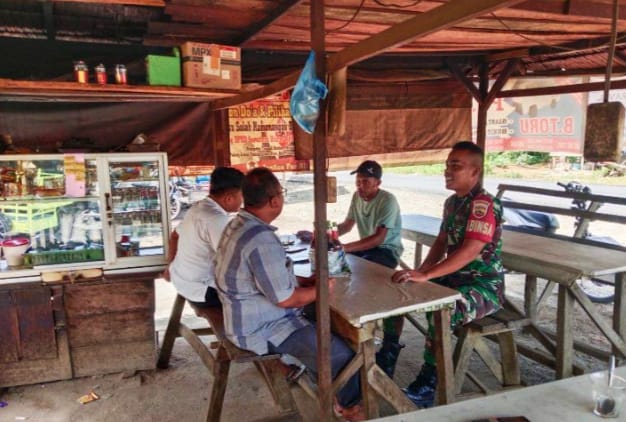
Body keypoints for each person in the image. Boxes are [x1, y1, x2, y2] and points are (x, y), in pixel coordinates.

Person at [215, 167, 364, 421]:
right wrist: (320, 290)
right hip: (261, 328)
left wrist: (305, 281)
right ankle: (351, 409)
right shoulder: (260, 239)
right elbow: (285, 299)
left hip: (242, 318)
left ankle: (334, 390)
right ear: (275, 200)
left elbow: (267, 278)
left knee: (327, 324)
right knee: (343, 355)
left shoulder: (238, 225)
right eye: (281, 194)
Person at [391, 141, 504, 407]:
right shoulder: (452, 203)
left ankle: (430, 382)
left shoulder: (484, 205)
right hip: (456, 279)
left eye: (456, 166)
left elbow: (469, 251)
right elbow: (441, 242)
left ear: (475, 172)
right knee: (401, 289)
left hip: (483, 285)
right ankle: (387, 354)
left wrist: (428, 275)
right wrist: (420, 272)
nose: (447, 171)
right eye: (447, 165)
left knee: (445, 310)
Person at [336, 160, 405, 379]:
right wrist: (326, 235)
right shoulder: (357, 197)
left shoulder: (388, 201)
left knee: (369, 284)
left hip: (386, 250)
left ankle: (389, 345)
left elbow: (379, 238)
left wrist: (345, 247)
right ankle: (351, 333)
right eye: (358, 181)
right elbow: (347, 225)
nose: (360, 185)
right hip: (367, 248)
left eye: (366, 181)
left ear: (378, 183)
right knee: (338, 268)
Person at [167, 167, 244, 308]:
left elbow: (174, 236)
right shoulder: (216, 219)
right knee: (258, 296)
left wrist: (169, 266)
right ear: (229, 198)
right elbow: (232, 261)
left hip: (181, 279)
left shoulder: (197, 208)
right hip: (201, 289)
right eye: (242, 196)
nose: (243, 201)